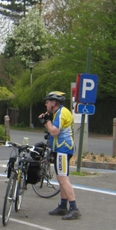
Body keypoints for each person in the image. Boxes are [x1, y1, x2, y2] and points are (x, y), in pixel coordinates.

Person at [38, 91, 81, 220]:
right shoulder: (58, 112)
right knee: (61, 178)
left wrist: (45, 121)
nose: (45, 104)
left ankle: (74, 208)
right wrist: (47, 120)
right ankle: (63, 206)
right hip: (60, 149)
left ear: (53, 103)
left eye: (47, 102)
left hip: (63, 149)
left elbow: (54, 131)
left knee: (63, 179)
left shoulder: (61, 113)